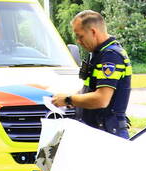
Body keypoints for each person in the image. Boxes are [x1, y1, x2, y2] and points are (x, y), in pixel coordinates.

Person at [51, 10, 132, 138]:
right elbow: (90, 89)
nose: (78, 41)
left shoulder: (111, 57)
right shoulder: (98, 54)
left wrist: (68, 99)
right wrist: (73, 96)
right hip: (98, 131)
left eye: (80, 36)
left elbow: (101, 99)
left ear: (93, 32)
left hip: (108, 134)